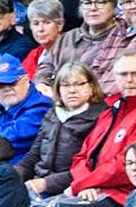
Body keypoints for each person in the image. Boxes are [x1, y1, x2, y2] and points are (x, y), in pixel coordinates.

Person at [51, 51, 136, 207]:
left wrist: (83, 184)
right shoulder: (111, 111)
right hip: (99, 190)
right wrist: (85, 185)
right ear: (115, 77)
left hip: (128, 195)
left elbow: (128, 166)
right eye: (123, 74)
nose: (129, 80)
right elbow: (82, 157)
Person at [17, 60, 102, 199]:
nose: (72, 90)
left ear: (91, 87)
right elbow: (33, 155)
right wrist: (12, 176)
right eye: (66, 85)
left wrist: (46, 183)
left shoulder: (100, 117)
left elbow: (93, 165)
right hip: (39, 182)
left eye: (79, 84)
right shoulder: (52, 114)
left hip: (69, 188)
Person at [0, 54, 51, 160]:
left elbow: (17, 136)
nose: (7, 88)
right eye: (0, 85)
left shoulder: (41, 104)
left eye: (12, 83)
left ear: (26, 79)